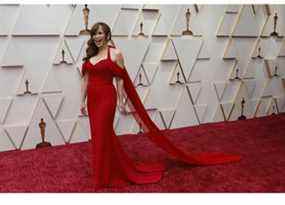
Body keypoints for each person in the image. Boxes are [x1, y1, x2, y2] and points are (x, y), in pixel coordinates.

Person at [80, 22, 241, 189]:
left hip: (107, 98)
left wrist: (121, 100)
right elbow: (85, 80)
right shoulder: (90, 55)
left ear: (107, 35)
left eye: (100, 33)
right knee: (100, 135)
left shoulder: (116, 54)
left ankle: (102, 177)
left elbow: (120, 79)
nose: (96, 37)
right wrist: (81, 101)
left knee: (102, 133)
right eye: (94, 34)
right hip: (93, 100)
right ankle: (107, 170)